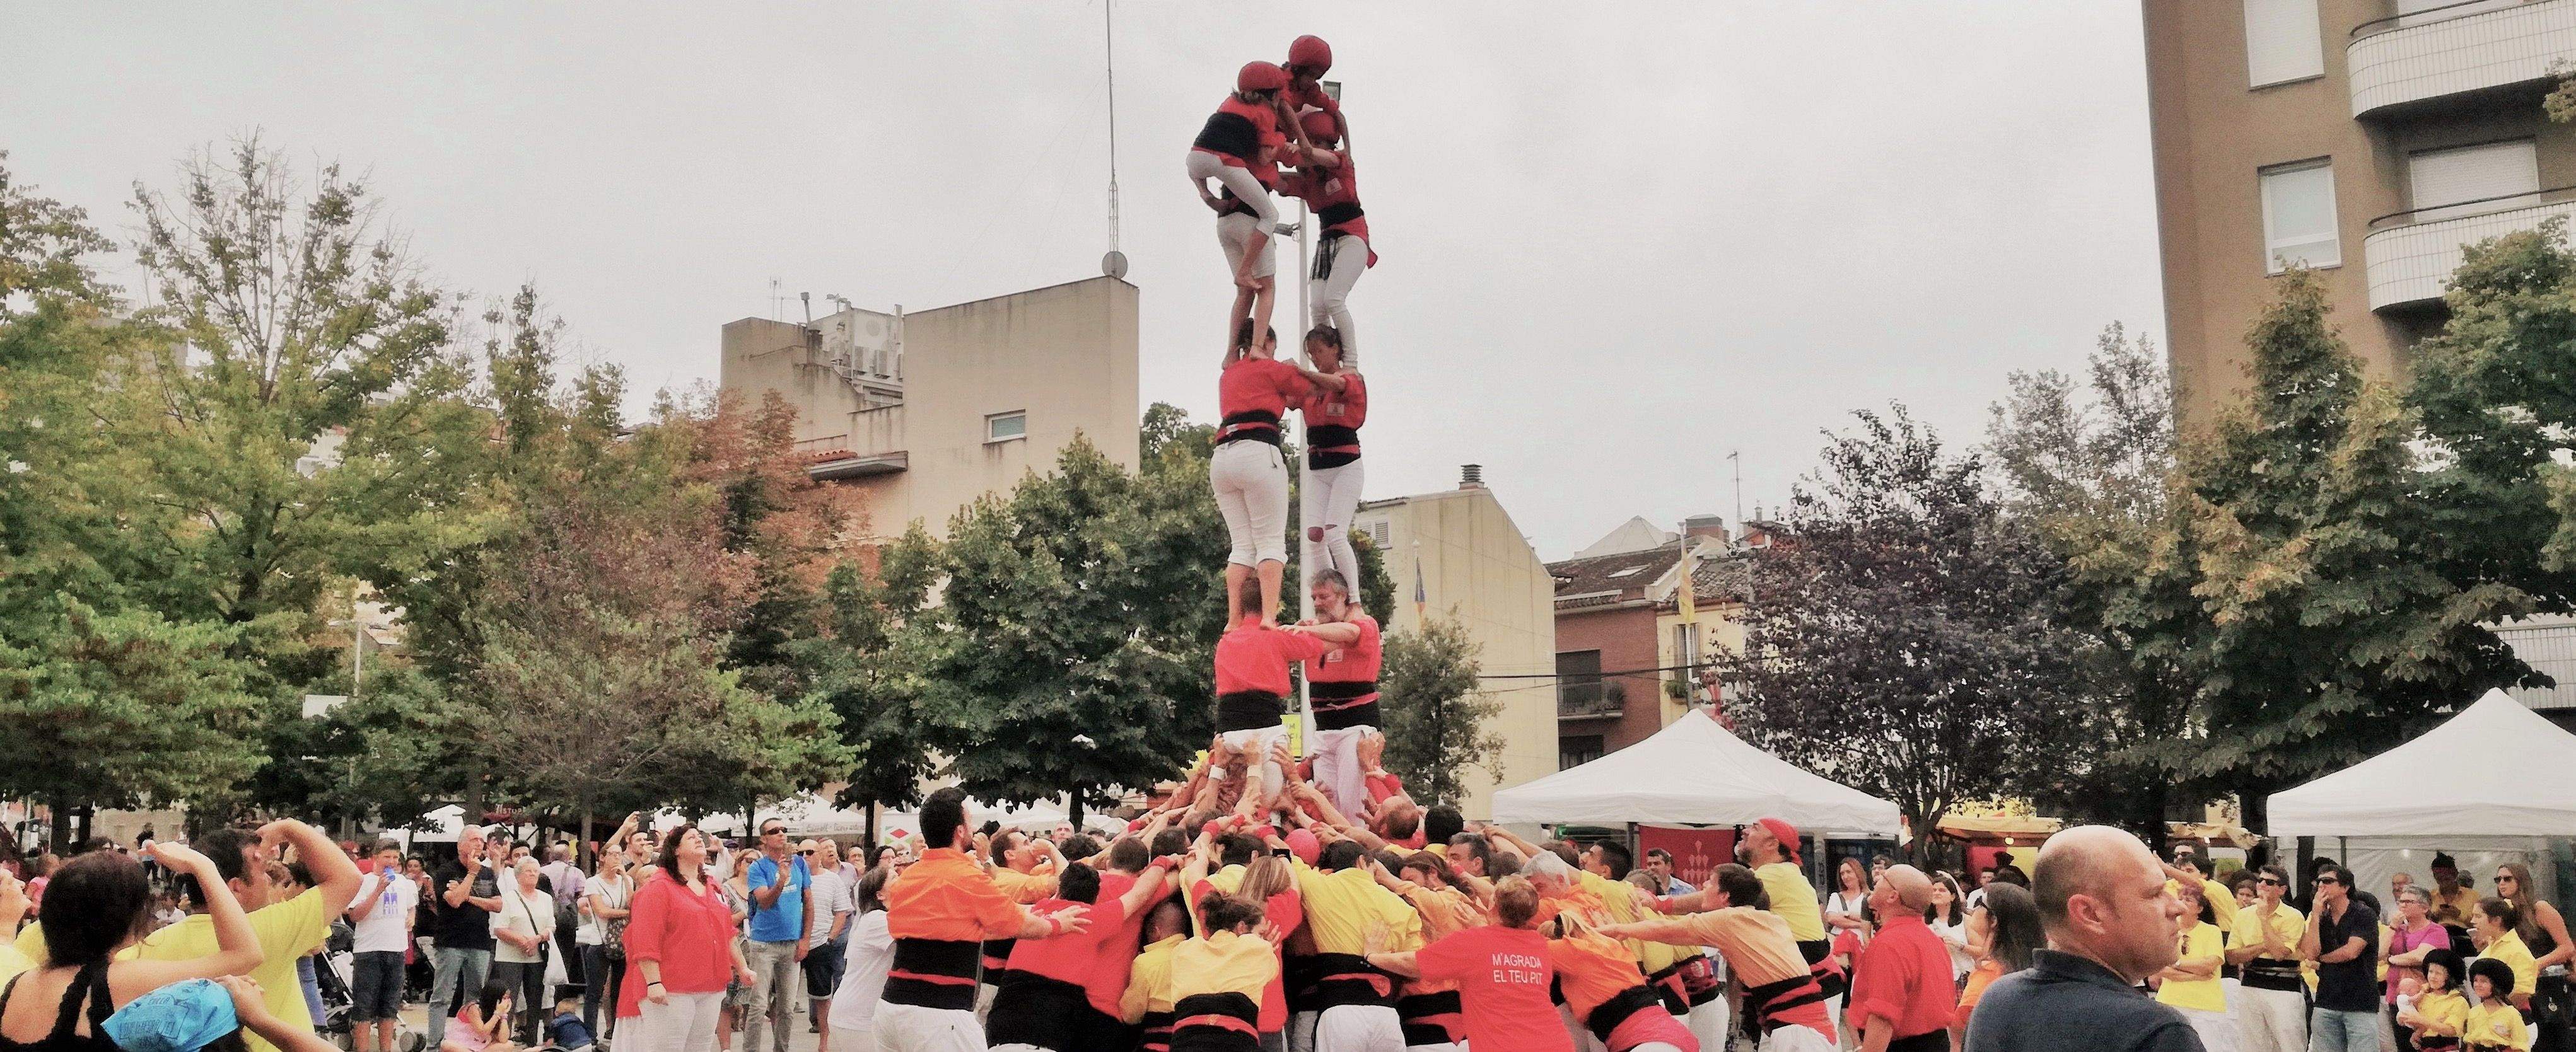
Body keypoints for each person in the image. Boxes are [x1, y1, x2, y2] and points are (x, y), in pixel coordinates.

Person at [17, 822, 361, 1052]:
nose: (271, 879)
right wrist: (291, 828)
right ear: (235, 889)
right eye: (261, 870)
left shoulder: (143, 950)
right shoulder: (274, 928)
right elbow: (347, 879)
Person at [875, 789, 1088, 1052]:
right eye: (969, 820)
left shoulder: (908, 878)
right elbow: (1018, 925)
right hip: (938, 1015)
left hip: (890, 1009)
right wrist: (1057, 924)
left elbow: (962, 930)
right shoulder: (966, 877)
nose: (974, 827)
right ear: (960, 831)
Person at [1959, 825, 2200, 1052]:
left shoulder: (1996, 1000)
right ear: (2089, 914)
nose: (2177, 906)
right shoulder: (2156, 1033)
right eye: (2155, 893)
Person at [0, 844, 260, 1052]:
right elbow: (245, 954)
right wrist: (203, 867)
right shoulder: (114, 981)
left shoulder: (20, 984)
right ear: (129, 919)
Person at [1597, 863, 1839, 1051]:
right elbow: (1672, 932)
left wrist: (1619, 929)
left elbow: (1671, 931)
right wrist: (1642, 920)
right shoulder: (1762, 918)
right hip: (1801, 1027)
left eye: (1710, 883)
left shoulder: (1730, 920)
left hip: (1798, 1031)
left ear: (1725, 897)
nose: (1703, 886)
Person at [985, 858, 1175, 1052]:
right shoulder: (1089, 920)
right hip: (1045, 1034)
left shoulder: (1034, 914)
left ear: (1058, 890)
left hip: (1000, 1027)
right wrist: (1163, 861)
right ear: (1094, 900)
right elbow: (1139, 894)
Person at [1188, 61, 1297, 359]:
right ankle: (1258, 348)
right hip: (1250, 221)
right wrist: (1284, 141)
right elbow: (1271, 161)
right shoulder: (1262, 132)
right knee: (1266, 287)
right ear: (1273, 94)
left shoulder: (1230, 108)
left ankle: (1229, 355)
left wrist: (1205, 193)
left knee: (1243, 294)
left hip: (1225, 221)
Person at [618, 825, 757, 1052]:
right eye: (691, 837)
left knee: (700, 1047)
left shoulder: (712, 886)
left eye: (699, 837)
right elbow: (645, 939)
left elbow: (727, 932)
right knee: (667, 1048)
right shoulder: (657, 888)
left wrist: (742, 968)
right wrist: (654, 983)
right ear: (675, 850)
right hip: (672, 986)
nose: (699, 840)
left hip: (711, 984)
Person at [1211, 326, 1313, 628]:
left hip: (1222, 456)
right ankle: (1268, 617)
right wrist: (1293, 368)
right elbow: (1309, 389)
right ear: (1265, 341)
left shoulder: (1229, 373)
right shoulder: (1270, 367)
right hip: (1257, 450)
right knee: (1270, 543)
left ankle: (1233, 619)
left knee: (1241, 545)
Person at [1212, 603, 1335, 816]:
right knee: (1266, 804)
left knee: (1222, 805)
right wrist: (1308, 629)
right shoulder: (1275, 635)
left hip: (1229, 730)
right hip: (1265, 727)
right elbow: (1328, 644)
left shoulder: (1226, 641)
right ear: (1274, 605)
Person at [1281, 118, 1372, 369]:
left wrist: (1299, 150)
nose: (1314, 147)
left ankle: (1351, 363)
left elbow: (1321, 157)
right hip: (1326, 245)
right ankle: (1327, 362)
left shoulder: (1341, 162)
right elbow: (1280, 182)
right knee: (1317, 307)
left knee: (1334, 299)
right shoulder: (1309, 180)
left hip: (1352, 237)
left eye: (1320, 143)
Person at [1297, 568, 1381, 819]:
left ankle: (1357, 850)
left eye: (1324, 597)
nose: (1317, 603)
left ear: (1343, 595)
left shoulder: (1364, 624)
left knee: (1352, 799)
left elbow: (1349, 633)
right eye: (1314, 598)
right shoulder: (1313, 628)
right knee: (1327, 801)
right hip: (1324, 729)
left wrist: (1305, 630)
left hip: (1355, 725)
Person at [1843, 865, 1950, 1052]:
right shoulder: (1932, 939)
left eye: (1884, 877)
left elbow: (1883, 1016)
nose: (1876, 880)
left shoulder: (1889, 944)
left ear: (1893, 896)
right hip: (1935, 1042)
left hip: (1902, 1045)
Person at [428, 828, 505, 1052]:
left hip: (479, 942)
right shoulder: (445, 871)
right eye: (474, 840)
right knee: (442, 996)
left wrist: (469, 897)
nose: (479, 844)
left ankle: (468, 1043)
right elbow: (453, 901)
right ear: (461, 845)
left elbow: (498, 905)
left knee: (474, 998)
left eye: (482, 841)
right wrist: (471, 874)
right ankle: (434, 1046)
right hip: (450, 942)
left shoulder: (488, 873)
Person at [740, 819, 813, 1052]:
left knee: (787, 1007)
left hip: (792, 943)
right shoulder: (758, 868)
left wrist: (806, 939)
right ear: (764, 839)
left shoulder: (800, 864)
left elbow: (809, 903)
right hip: (764, 944)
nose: (781, 834)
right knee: (759, 1005)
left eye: (784, 830)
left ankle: (782, 1049)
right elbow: (765, 902)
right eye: (774, 831)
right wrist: (781, 880)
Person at [344, 841, 417, 1052]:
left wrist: (411, 918)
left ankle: (386, 1049)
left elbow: (411, 907)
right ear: (376, 857)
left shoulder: (404, 883)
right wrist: (377, 890)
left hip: (396, 949)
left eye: (396, 857)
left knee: (390, 1006)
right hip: (369, 951)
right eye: (387, 857)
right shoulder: (363, 882)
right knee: (364, 1006)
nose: (392, 862)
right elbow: (356, 915)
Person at [2300, 862, 2381, 1052]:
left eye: (2328, 881)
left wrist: (2322, 959)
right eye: (2319, 882)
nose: (2321, 886)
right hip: (2326, 999)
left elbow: (2351, 952)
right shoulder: (2321, 917)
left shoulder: (2363, 914)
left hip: (2360, 1002)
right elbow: (2310, 953)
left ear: (2345, 887)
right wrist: (2315, 915)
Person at [1952, 883, 2043, 1048]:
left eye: (1980, 902)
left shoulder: (1987, 978)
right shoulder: (2035, 969)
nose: (1975, 908)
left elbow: (1961, 1039)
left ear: (1993, 920)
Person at [2491, 862, 2571, 1046]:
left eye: (2507, 878)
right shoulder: (2502, 915)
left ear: (2521, 881)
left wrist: (2535, 965)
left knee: (2551, 1039)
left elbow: (2567, 947)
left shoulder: (2540, 909)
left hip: (2547, 984)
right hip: (2516, 987)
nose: (2501, 883)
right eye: (2498, 879)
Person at [2227, 865, 2306, 1052]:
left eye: (2269, 882)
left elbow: (2279, 954)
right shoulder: (2243, 915)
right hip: (2250, 986)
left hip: (2284, 988)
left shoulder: (2293, 916)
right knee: (2251, 1045)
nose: (2262, 885)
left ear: (2282, 890)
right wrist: (2264, 946)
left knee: (2289, 1043)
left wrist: (2263, 919)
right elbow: (2231, 956)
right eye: (2260, 880)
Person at [2152, 880, 2234, 1052]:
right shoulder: (2165, 930)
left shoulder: (2212, 931)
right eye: (2180, 899)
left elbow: (2209, 965)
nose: (2182, 903)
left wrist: (2177, 965)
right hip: (2170, 1002)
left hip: (2205, 1006)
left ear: (2200, 909)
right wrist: (2195, 975)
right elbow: (2162, 969)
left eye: (2188, 900)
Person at [827, 868, 895, 1052]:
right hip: (856, 1019)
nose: (901, 879)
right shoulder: (877, 919)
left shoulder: (880, 918)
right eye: (895, 878)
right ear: (880, 894)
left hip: (864, 1016)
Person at [489, 860, 555, 1046]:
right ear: (518, 876)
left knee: (535, 999)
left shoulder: (546, 898)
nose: (533, 874)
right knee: (508, 1000)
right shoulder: (509, 898)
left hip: (536, 956)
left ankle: (532, 1041)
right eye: (528, 871)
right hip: (510, 957)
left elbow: (552, 926)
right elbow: (499, 929)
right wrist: (522, 940)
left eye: (536, 871)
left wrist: (537, 939)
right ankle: (504, 1040)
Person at [2388, 886, 2456, 1052]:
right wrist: (2391, 927)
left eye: (2408, 902)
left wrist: (2391, 959)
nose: (2402, 905)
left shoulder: (2436, 930)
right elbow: (2379, 952)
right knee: (2403, 1046)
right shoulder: (2397, 929)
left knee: (2425, 1045)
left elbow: (2421, 956)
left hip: (2424, 998)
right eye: (2400, 902)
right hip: (2396, 997)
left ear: (2425, 908)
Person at [578, 845, 634, 1044]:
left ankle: (616, 1033)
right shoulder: (593, 883)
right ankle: (590, 1036)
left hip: (621, 942)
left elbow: (633, 902)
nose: (617, 858)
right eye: (613, 854)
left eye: (620, 854)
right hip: (600, 941)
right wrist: (627, 913)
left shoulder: (626, 881)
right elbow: (601, 911)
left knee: (619, 989)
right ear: (603, 858)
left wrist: (626, 878)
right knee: (594, 991)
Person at [1120, 900, 1192, 1052]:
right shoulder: (1198, 956)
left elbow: (1131, 1015)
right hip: (1190, 1040)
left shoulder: (1146, 963)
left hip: (1156, 1043)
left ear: (1155, 931)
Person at [805, 840, 854, 1051]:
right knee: (782, 997)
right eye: (800, 852)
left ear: (818, 855)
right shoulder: (793, 878)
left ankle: (824, 1044)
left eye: (809, 852)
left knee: (823, 997)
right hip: (794, 943)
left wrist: (831, 938)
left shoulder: (832, 879)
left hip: (821, 943)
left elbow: (842, 910)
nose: (804, 856)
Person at [2471, 899, 2538, 1016]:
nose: (2473, 921)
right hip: (2487, 1014)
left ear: (2497, 920)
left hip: (2511, 1017)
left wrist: (2496, 1010)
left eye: (2478, 916)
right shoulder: (2491, 945)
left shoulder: (2517, 950)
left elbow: (2522, 992)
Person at [2395, 949, 2468, 1052]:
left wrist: (2421, 1020)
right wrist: (2404, 1020)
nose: (2433, 977)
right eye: (2431, 971)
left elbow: (2452, 1031)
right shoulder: (2422, 996)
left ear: (2450, 977)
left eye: (2438, 973)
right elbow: (2417, 1022)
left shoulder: (2458, 1001)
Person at [2465, 958, 2531, 1051]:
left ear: (2497, 985)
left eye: (2483, 981)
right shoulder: (2474, 1012)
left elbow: (2520, 1045)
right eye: (2476, 980)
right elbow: (2471, 1042)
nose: (2478, 985)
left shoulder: (2511, 1014)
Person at [440, 984, 517, 1052]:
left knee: (509, 1045)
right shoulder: (473, 1008)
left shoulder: (497, 1012)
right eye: (504, 998)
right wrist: (497, 1015)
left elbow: (503, 1039)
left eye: (508, 998)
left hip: (480, 1047)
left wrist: (504, 1015)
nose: (507, 1002)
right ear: (494, 998)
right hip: (461, 1044)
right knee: (447, 1045)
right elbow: (483, 1032)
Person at [1926, 874, 1971, 981]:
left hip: (1961, 977)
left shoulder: (1965, 920)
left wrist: (1959, 945)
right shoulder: (1924, 923)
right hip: (1935, 978)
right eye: (1934, 890)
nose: (1936, 893)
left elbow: (1982, 951)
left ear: (1953, 896)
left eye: (1942, 890)